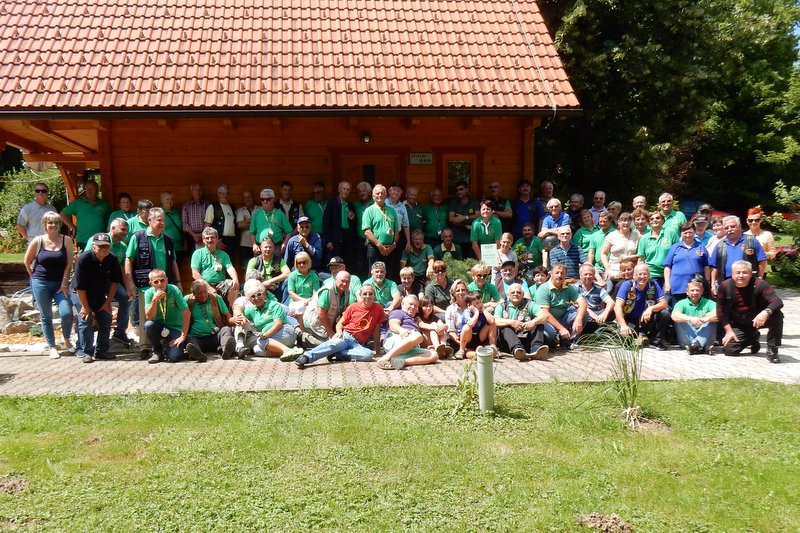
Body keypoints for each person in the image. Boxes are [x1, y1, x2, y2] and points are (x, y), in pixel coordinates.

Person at [125, 207, 182, 357]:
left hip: (166, 286)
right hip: (145, 287)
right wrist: (129, 282)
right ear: (149, 220)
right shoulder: (137, 237)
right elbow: (128, 259)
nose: (162, 223)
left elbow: (174, 262)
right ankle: (145, 348)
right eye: (159, 220)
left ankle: (163, 345)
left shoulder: (169, 240)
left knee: (166, 315)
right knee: (146, 318)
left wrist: (178, 281)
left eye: (163, 220)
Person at [294, 283, 385, 369]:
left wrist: (377, 350)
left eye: (370, 294)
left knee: (368, 354)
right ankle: (307, 357)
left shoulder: (378, 309)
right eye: (365, 294)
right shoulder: (353, 307)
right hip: (346, 337)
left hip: (358, 344)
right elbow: (340, 323)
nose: (368, 296)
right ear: (360, 295)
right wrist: (339, 332)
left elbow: (376, 330)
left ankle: (338, 354)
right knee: (334, 344)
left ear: (374, 295)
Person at [23, 211, 75, 359]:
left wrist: (65, 282)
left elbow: (69, 262)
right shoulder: (38, 241)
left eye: (56, 222)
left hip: (60, 283)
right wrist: (33, 278)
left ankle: (66, 340)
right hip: (41, 282)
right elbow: (27, 261)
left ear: (60, 224)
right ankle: (52, 346)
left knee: (66, 312)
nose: (53, 225)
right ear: (45, 224)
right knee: (46, 316)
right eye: (50, 222)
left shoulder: (66, 240)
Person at [716, 260, 782, 363]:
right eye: (738, 272)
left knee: (777, 315)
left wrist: (765, 312)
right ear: (732, 274)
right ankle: (753, 337)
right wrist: (729, 331)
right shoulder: (725, 286)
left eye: (745, 272)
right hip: (740, 322)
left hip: (759, 319)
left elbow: (777, 302)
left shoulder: (760, 284)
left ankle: (773, 350)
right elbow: (720, 311)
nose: (741, 275)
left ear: (751, 274)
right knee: (730, 350)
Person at [70, 232, 121, 363]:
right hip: (80, 294)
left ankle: (102, 351)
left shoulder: (112, 259)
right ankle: (86, 351)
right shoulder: (84, 259)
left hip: (99, 294)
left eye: (106, 246)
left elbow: (114, 282)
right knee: (86, 319)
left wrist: (108, 303)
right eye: (101, 246)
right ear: (93, 246)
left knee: (106, 317)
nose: (104, 249)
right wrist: (86, 308)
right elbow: (80, 288)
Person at [238, 279, 303, 360]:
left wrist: (266, 334)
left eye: (259, 294)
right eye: (253, 296)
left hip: (285, 332)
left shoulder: (274, 305)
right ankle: (291, 351)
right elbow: (238, 310)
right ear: (249, 299)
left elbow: (278, 324)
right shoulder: (251, 310)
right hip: (272, 338)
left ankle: (287, 350)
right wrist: (239, 316)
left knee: (260, 341)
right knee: (257, 350)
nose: (256, 298)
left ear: (265, 294)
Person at [613, 263, 670, 350]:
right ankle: (632, 336)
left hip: (646, 320)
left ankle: (655, 341)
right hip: (630, 320)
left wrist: (651, 308)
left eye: (645, 274)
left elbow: (664, 304)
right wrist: (623, 325)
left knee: (664, 313)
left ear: (649, 275)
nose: (642, 276)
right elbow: (617, 307)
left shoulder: (653, 284)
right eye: (639, 274)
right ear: (634, 275)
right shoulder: (627, 285)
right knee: (627, 344)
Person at [376, 294, 439, 369]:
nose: (413, 307)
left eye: (415, 306)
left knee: (434, 355)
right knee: (417, 336)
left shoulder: (416, 319)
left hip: (410, 347)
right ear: (402, 304)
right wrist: (401, 330)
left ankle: (401, 361)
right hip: (397, 339)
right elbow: (393, 324)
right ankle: (384, 359)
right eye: (411, 304)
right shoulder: (398, 312)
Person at [142, 269, 191, 364]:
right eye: (156, 282)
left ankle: (171, 349)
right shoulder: (148, 293)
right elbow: (149, 317)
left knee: (174, 357)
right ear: (151, 283)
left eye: (162, 280)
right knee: (148, 325)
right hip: (159, 326)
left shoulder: (174, 290)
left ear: (167, 280)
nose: (160, 284)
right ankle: (157, 352)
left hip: (174, 327)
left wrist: (183, 336)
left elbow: (186, 312)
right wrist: (154, 301)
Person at [709, 215, 766, 295]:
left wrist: (759, 278)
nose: (729, 230)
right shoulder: (720, 245)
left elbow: (761, 261)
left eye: (732, 226)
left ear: (739, 226)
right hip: (726, 283)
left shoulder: (751, 241)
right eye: (726, 228)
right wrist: (713, 284)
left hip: (748, 282)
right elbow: (714, 267)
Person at [534, 263, 587, 349]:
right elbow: (545, 314)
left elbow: (583, 302)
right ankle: (556, 339)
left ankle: (569, 341)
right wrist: (561, 329)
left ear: (566, 274)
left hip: (562, 318)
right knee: (550, 336)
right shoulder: (543, 289)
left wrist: (578, 319)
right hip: (546, 321)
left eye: (562, 273)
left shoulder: (568, 288)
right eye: (557, 272)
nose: (559, 275)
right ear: (551, 274)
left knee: (584, 313)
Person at [494, 282, 550, 360]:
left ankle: (536, 349)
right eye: (512, 292)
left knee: (538, 323)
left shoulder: (530, 304)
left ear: (523, 294)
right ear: (508, 295)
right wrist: (511, 322)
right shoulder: (501, 306)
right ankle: (518, 350)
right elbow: (496, 320)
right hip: (508, 342)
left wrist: (533, 322)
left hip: (526, 337)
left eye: (518, 292)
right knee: (504, 326)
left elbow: (545, 316)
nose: (515, 294)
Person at [183, 279, 236, 360]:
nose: (204, 295)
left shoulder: (216, 298)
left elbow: (228, 316)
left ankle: (226, 351)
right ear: (193, 293)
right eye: (200, 292)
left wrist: (235, 320)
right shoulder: (187, 300)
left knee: (226, 330)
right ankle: (198, 355)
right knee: (189, 338)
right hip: (197, 338)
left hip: (215, 336)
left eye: (205, 291)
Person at [301, 271, 354, 347]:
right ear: (336, 280)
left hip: (328, 322)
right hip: (314, 323)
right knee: (328, 345)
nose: (345, 284)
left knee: (339, 342)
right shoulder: (328, 291)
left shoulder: (347, 291)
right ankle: (303, 337)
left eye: (347, 282)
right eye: (342, 281)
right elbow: (321, 313)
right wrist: (331, 333)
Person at [190, 227, 240, 307]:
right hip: (204, 284)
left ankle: (231, 310)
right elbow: (195, 274)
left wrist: (235, 279)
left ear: (217, 239)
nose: (210, 240)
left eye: (212, 237)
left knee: (233, 285)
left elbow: (230, 268)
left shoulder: (223, 255)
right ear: (203, 240)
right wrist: (208, 287)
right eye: (207, 238)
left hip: (220, 284)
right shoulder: (197, 254)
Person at [663, 222, 710, 303]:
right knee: (677, 310)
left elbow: (707, 266)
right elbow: (667, 267)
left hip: (696, 287)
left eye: (690, 232)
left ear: (694, 232)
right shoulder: (675, 247)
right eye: (685, 233)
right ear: (681, 234)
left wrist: (707, 282)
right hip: (678, 287)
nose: (688, 235)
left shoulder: (701, 246)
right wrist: (667, 283)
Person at [60, 179, 110, 250]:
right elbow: (62, 215)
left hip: (100, 240)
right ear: (85, 190)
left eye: (92, 189)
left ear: (97, 190)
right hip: (83, 240)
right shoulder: (78, 203)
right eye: (87, 189)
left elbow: (110, 220)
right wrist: (73, 227)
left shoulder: (104, 204)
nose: (89, 191)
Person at [671, 280, 717, 355]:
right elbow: (674, 315)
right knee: (680, 320)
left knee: (711, 318)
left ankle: (696, 346)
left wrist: (705, 319)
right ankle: (703, 347)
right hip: (687, 341)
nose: (695, 293)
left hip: (706, 338)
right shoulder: (681, 303)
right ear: (687, 292)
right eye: (692, 290)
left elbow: (718, 314)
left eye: (697, 290)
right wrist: (689, 319)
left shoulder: (710, 303)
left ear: (702, 292)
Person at [362, 184, 400, 274]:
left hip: (390, 248)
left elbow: (396, 230)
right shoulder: (369, 211)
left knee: (389, 274)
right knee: (374, 274)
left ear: (386, 195)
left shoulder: (392, 210)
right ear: (373, 196)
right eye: (377, 193)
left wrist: (393, 245)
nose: (380, 195)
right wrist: (379, 246)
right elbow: (367, 232)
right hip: (375, 248)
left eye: (382, 193)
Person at [107, 217, 133, 345]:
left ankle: (120, 332)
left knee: (125, 298)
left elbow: (124, 269)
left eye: (127, 231)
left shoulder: (123, 246)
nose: (125, 233)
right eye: (123, 229)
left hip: (113, 282)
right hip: (95, 282)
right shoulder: (99, 239)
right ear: (113, 228)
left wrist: (129, 287)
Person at [637, 210, 678, 287]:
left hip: (669, 273)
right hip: (651, 275)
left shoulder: (670, 232)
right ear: (649, 223)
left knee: (667, 298)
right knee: (651, 298)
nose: (654, 220)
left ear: (662, 220)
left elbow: (678, 252)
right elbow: (641, 259)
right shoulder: (644, 238)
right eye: (651, 219)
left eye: (657, 218)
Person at [321, 181, 356, 267]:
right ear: (339, 190)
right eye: (344, 189)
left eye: (348, 190)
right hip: (335, 239)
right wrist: (328, 240)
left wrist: (352, 219)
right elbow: (326, 223)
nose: (346, 191)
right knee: (336, 262)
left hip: (347, 238)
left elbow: (354, 223)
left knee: (348, 262)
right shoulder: (331, 203)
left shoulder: (350, 205)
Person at [250, 188, 293, 255]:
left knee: (276, 265)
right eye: (262, 199)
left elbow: (289, 231)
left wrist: (285, 243)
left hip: (276, 248)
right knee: (259, 265)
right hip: (260, 248)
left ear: (273, 199)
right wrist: (254, 245)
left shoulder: (280, 214)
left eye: (267, 199)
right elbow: (252, 232)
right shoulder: (257, 214)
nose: (264, 201)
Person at [246, 237, 290, 301]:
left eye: (270, 247)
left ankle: (284, 305)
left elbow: (287, 274)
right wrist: (264, 285)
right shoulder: (253, 261)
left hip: (276, 288)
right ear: (261, 248)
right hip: (257, 291)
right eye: (266, 247)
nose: (268, 249)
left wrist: (270, 282)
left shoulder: (279, 260)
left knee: (288, 281)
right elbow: (248, 279)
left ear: (274, 248)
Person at [601, 212, 639, 284]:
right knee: (609, 290)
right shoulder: (611, 236)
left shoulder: (637, 236)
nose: (626, 223)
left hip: (630, 272)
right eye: (623, 220)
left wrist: (628, 258)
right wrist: (607, 268)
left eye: (628, 221)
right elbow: (603, 254)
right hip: (613, 271)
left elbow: (640, 254)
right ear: (618, 222)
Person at [576, 263, 615, 334]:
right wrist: (594, 316)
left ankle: (598, 332)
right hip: (583, 314)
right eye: (585, 274)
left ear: (594, 276)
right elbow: (575, 304)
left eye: (590, 274)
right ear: (580, 276)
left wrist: (604, 314)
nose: (588, 276)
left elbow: (611, 302)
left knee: (614, 310)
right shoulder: (575, 288)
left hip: (597, 315)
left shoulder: (599, 289)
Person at [448, 180, 480, 259]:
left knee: (471, 262)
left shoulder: (474, 202)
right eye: (457, 190)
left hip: (471, 238)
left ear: (467, 189)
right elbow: (451, 219)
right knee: (458, 263)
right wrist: (465, 225)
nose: (458, 191)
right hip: (457, 238)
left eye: (461, 189)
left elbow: (479, 216)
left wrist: (465, 217)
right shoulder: (453, 203)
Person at [204, 184, 237, 253]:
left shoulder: (232, 208)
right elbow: (206, 228)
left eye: (227, 193)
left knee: (230, 263)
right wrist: (215, 242)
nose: (225, 195)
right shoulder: (212, 207)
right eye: (223, 193)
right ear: (219, 194)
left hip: (232, 242)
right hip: (219, 241)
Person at [352, 181, 373, 278]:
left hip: (373, 239)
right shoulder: (355, 205)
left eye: (364, 191)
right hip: (359, 238)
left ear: (369, 192)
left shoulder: (375, 204)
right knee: (360, 264)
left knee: (371, 263)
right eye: (359, 192)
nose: (361, 193)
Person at [182, 182, 208, 250]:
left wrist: (202, 234)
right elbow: (184, 223)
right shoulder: (186, 206)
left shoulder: (207, 205)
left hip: (206, 236)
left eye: (199, 190)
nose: (197, 192)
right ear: (191, 192)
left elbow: (209, 220)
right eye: (195, 190)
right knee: (193, 258)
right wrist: (194, 235)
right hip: (191, 237)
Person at [160, 192, 184, 260]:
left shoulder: (177, 212)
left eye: (171, 199)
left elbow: (182, 228)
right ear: (161, 200)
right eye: (167, 199)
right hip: (165, 248)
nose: (169, 201)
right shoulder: (159, 212)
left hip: (178, 247)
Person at [236, 190, 256, 268]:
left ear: (253, 197)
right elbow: (240, 225)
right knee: (246, 267)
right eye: (245, 198)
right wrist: (254, 224)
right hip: (244, 244)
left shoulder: (260, 209)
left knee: (258, 267)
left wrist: (247, 223)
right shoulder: (240, 210)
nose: (247, 199)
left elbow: (261, 225)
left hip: (258, 244)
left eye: (249, 197)